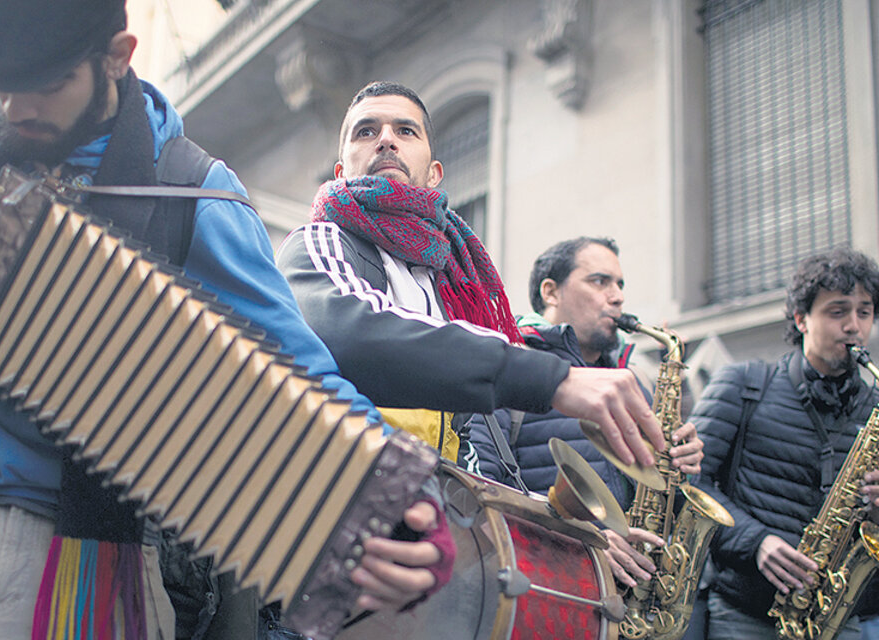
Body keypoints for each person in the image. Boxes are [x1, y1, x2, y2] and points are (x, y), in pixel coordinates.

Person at [0, 4, 451, 638]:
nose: (15, 108)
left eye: (47, 84)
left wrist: (401, 501)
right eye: (0, 85)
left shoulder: (201, 192)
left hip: (96, 560)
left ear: (118, 55)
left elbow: (296, 373)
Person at [275, 81, 665, 471]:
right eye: (367, 131)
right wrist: (552, 378)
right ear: (341, 171)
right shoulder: (319, 239)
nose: (386, 140)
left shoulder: (455, 277)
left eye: (405, 131)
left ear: (434, 174)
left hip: (420, 501)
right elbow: (351, 332)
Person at [467, 236, 704, 587]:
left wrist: (682, 468)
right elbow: (480, 493)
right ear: (551, 292)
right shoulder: (511, 368)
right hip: (550, 589)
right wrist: (582, 540)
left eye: (620, 284)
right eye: (599, 281)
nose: (618, 296)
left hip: (631, 591)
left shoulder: (634, 383)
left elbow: (665, 501)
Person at [692, 248, 879, 640]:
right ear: (800, 319)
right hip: (744, 613)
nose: (854, 326)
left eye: (864, 312)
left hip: (839, 616)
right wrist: (756, 542)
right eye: (837, 311)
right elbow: (689, 484)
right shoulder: (743, 384)